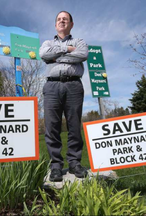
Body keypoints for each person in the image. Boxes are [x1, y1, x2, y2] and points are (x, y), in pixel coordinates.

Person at [39, 11, 88, 182]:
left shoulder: (79, 42)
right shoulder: (47, 43)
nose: (61, 21)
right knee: (52, 126)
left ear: (71, 24)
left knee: (74, 125)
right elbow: (44, 55)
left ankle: (74, 163)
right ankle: (56, 166)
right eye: (59, 19)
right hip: (52, 86)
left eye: (65, 19)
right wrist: (66, 50)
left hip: (74, 85)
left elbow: (82, 54)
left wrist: (56, 58)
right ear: (55, 25)